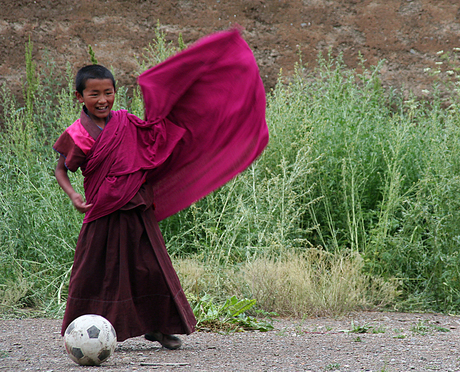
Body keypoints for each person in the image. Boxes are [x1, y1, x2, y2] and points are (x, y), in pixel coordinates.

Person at [53, 28, 269, 348]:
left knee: (151, 269)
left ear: (115, 92)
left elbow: (153, 142)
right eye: (94, 94)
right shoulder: (78, 134)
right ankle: (81, 332)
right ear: (79, 97)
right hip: (101, 211)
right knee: (95, 272)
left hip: (137, 208)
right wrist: (73, 195)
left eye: (108, 92)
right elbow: (61, 168)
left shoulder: (126, 122)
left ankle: (158, 326)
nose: (102, 100)